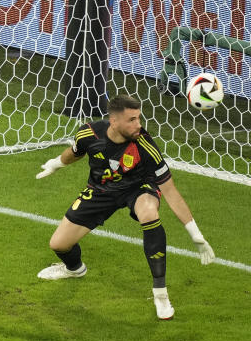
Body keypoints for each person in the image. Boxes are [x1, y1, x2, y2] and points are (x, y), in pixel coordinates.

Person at [35, 94, 215, 320]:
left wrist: (195, 234)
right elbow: (75, 152)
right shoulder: (89, 133)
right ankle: (74, 269)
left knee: (149, 212)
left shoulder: (145, 145)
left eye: (138, 118)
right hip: (101, 190)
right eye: (131, 120)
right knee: (59, 244)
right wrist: (55, 164)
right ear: (114, 122)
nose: (138, 125)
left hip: (139, 187)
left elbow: (171, 192)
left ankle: (160, 294)